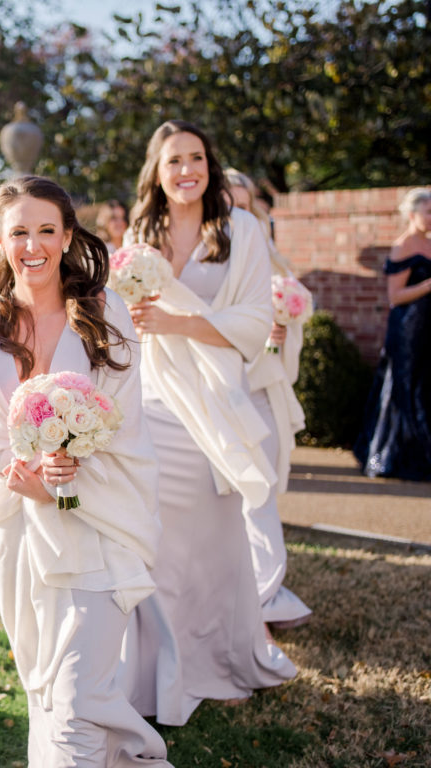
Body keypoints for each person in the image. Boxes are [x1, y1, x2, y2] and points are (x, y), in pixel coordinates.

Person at [0, 175, 170, 767]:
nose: (33, 245)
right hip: (17, 540)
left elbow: (124, 427)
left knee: (77, 701)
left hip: (97, 532)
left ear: (68, 235)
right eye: (18, 231)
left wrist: (64, 486)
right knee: (49, 693)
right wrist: (19, 478)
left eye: (46, 230)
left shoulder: (105, 315)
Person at [118, 121, 295, 726]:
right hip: (158, 396)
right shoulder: (143, 232)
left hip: (215, 398)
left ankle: (221, 659)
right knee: (159, 538)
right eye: (174, 161)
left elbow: (253, 317)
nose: (186, 169)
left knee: (216, 538)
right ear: (157, 171)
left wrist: (180, 323)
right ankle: (161, 666)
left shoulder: (240, 228)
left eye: (196, 158)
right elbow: (126, 312)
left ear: (209, 165)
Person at [224, 168, 312, 629]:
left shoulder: (268, 253)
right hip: (221, 388)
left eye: (245, 203)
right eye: (229, 204)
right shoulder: (209, 257)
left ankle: (266, 592)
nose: (239, 212)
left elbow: (292, 297)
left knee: (260, 489)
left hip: (262, 387)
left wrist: (282, 326)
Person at [354, 187, 431, 481]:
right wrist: (427, 286)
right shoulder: (403, 246)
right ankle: (395, 455)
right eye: (428, 212)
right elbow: (395, 296)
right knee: (406, 385)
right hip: (408, 327)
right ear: (412, 214)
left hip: (428, 327)